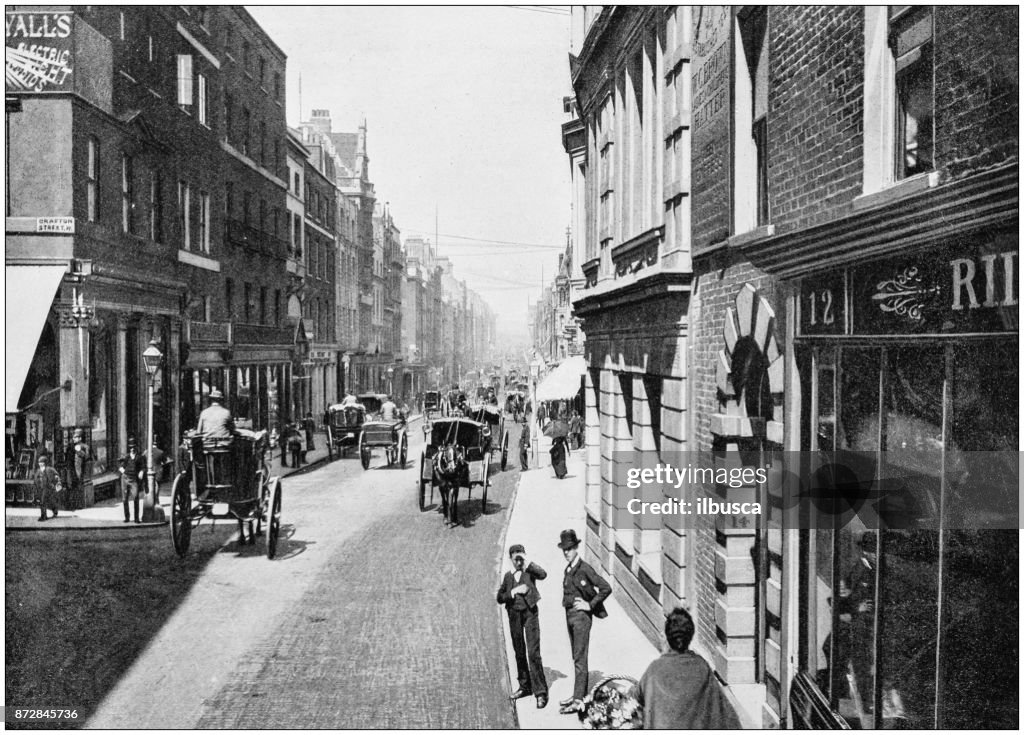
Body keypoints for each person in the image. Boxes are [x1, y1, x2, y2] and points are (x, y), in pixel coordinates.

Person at [637, 607, 742, 728]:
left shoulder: (654, 669)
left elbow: (637, 696)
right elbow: (725, 714)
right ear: (690, 636)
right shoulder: (702, 667)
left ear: (667, 637)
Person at [558, 529, 612, 714]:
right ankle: (576, 694)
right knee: (576, 657)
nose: (567, 552)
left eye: (570, 548)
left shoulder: (584, 568)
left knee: (580, 659)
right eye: (564, 549)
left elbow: (605, 587)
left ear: (576, 547)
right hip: (570, 617)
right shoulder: (569, 568)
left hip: (581, 619)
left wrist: (590, 605)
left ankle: (578, 700)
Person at [496, 543, 549, 709]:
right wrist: (512, 593)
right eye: (516, 558)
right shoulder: (508, 577)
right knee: (519, 651)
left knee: (533, 652)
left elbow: (543, 574)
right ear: (510, 559)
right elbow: (499, 597)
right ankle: (525, 686)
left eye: (521, 558)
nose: (518, 562)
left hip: (530, 614)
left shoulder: (529, 572)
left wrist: (528, 562)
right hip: (514, 616)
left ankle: (541, 692)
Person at [118, 438, 145, 523]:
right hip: (125, 479)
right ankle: (127, 517)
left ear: (136, 447)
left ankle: (136, 518)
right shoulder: (126, 457)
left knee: (136, 497)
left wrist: (141, 472)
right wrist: (123, 471)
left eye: (133, 447)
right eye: (130, 447)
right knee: (124, 499)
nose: (132, 449)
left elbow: (143, 467)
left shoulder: (139, 457)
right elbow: (120, 466)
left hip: (134, 480)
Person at [33, 454, 62, 522]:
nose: (40, 464)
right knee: (47, 501)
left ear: (45, 463)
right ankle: (54, 510)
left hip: (48, 488)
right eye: (39, 463)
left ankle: (43, 516)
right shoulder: (38, 471)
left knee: (43, 502)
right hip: (40, 488)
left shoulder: (50, 469)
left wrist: (58, 483)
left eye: (42, 463)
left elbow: (56, 476)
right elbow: (35, 479)